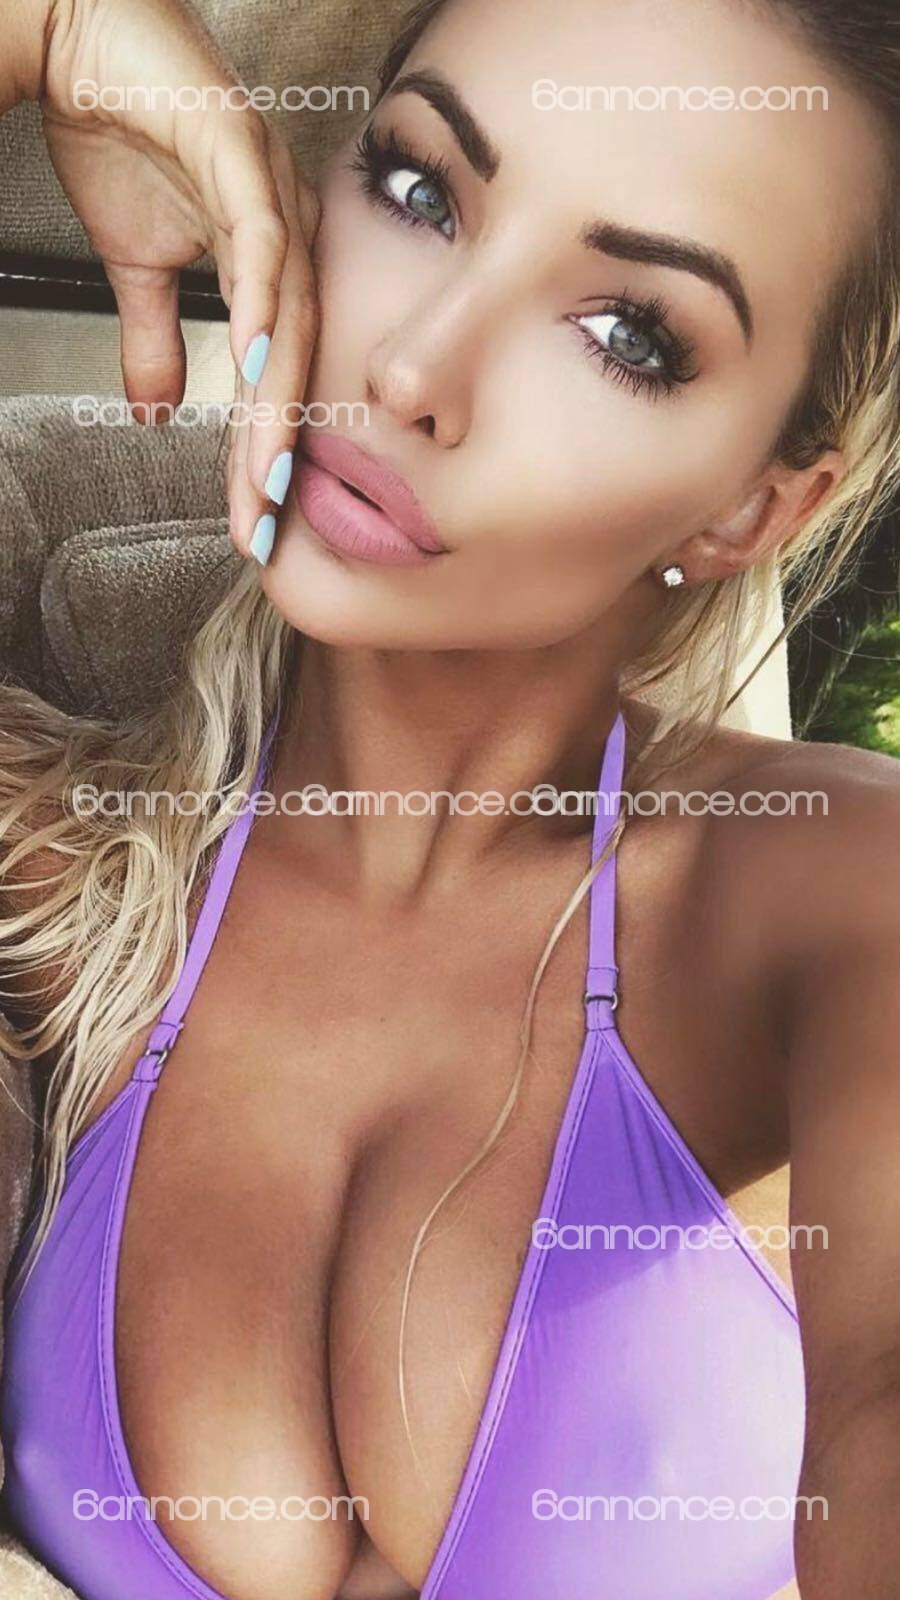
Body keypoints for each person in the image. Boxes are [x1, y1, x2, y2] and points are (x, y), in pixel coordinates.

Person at [1, 0, 899, 1597]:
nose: (414, 368)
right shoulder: (77, 871)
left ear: (756, 506)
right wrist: (59, 31)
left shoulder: (832, 894)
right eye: (421, 190)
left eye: (629, 334)